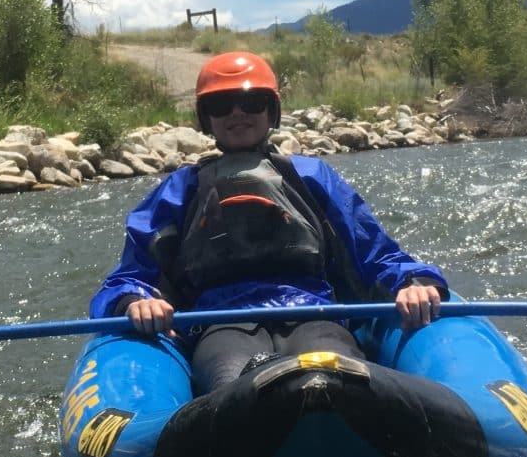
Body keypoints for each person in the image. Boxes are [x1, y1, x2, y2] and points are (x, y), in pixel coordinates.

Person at [86, 51, 449, 393]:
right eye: (220, 104)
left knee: (338, 371)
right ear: (205, 117)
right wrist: (134, 300)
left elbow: (374, 251)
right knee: (230, 376)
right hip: (220, 323)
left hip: (314, 313)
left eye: (252, 102)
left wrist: (412, 282)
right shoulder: (180, 189)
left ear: (272, 110)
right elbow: (130, 274)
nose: (237, 113)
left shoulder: (311, 176)